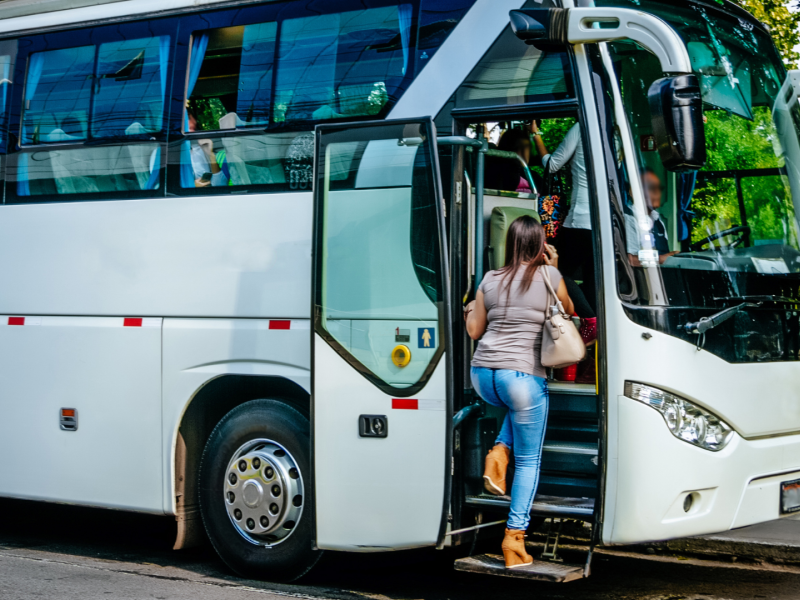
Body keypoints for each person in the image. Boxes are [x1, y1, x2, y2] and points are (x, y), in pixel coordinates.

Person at [463, 216, 574, 569]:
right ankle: (514, 538)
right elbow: (569, 313)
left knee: (516, 406)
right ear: (541, 245)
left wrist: (469, 308)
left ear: (510, 244)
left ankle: (498, 450)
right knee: (528, 462)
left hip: (483, 376)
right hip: (522, 378)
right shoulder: (549, 277)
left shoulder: (490, 279)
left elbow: (475, 329)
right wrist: (554, 268)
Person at [531, 121, 596, 312]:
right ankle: (595, 325)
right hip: (602, 222)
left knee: (556, 272)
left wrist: (536, 133)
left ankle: (588, 320)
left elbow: (552, 165)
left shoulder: (582, 127)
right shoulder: (613, 132)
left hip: (580, 219)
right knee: (593, 277)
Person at [626, 168, 678, 266]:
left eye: (659, 188)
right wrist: (661, 259)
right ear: (633, 192)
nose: (657, 193)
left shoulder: (658, 221)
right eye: (651, 188)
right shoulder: (629, 218)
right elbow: (629, 260)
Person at [187, 109, 229, 188]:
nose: (187, 124)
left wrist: (211, 155)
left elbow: (221, 185)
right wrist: (192, 185)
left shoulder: (202, 147)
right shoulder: (168, 152)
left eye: (188, 118)